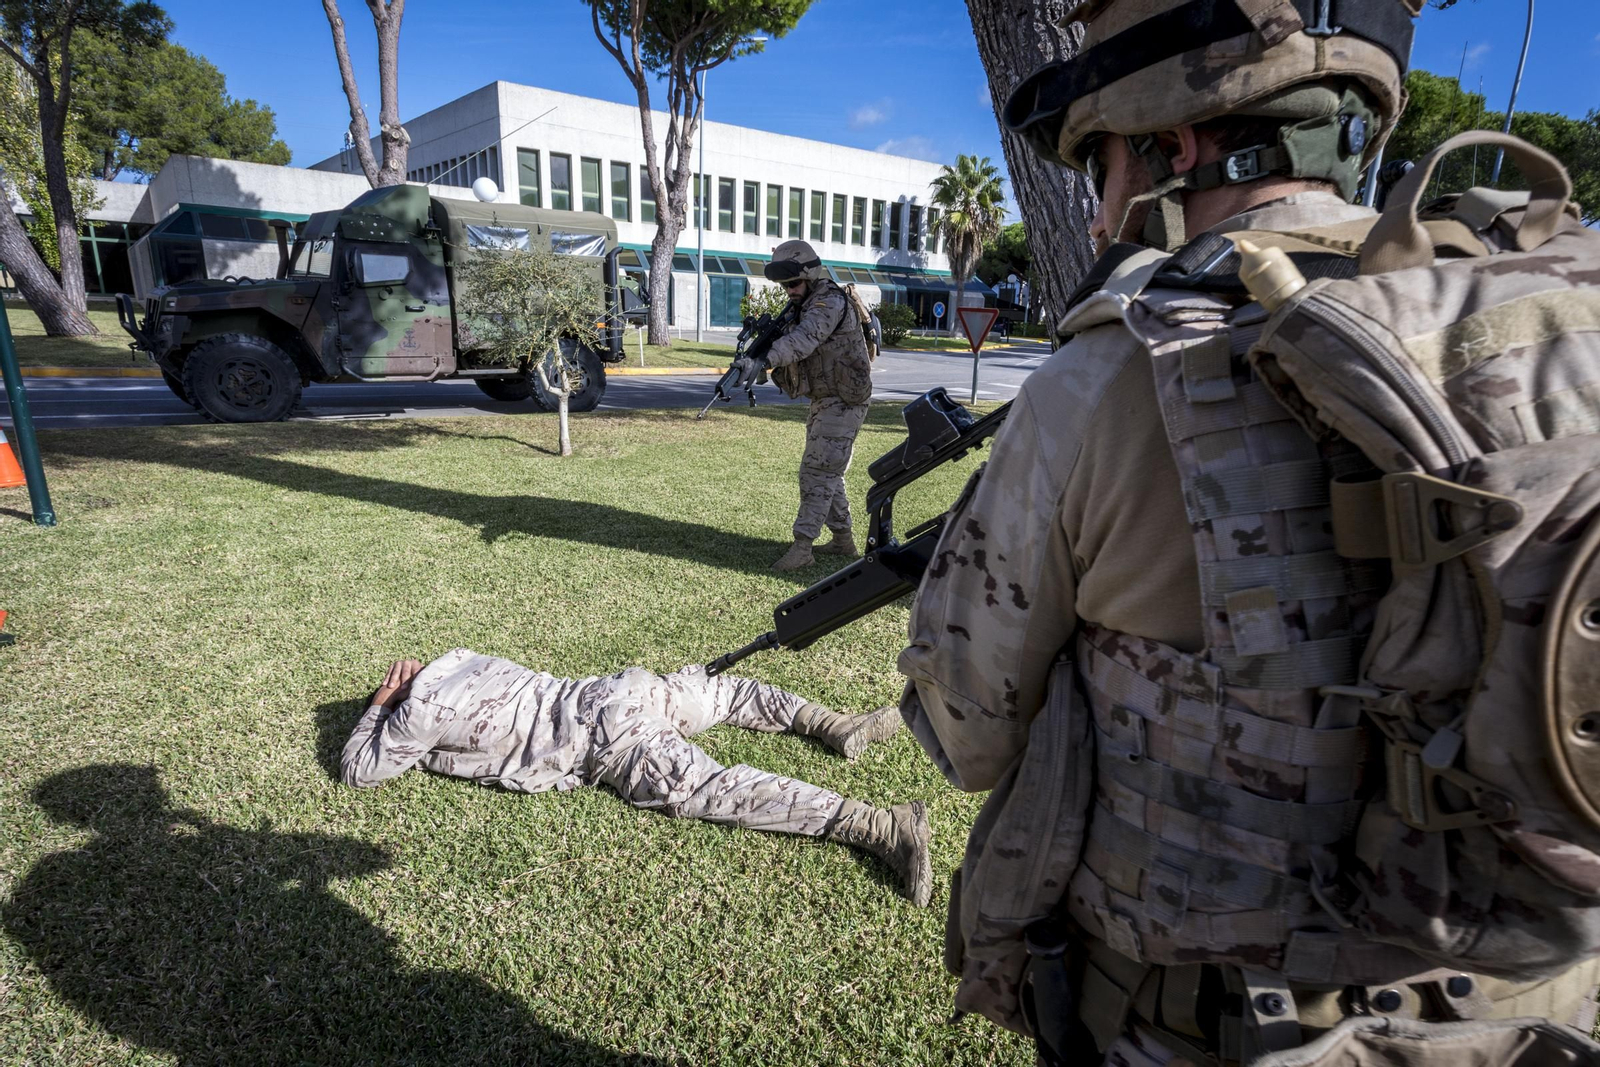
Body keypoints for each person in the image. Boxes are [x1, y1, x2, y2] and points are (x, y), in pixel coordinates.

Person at [896, 2, 1600, 1065]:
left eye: (1100, 171)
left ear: (1171, 150)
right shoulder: (1551, 318)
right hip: (1539, 1009)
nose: (1096, 220)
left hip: (1211, 1019)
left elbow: (967, 729)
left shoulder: (1115, 369)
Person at [341, 650, 931, 906]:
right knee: (725, 694)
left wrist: (381, 705)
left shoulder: (416, 715)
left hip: (606, 738)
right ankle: (832, 725)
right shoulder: (458, 659)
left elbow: (358, 771)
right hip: (621, 689)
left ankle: (878, 825)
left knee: (708, 788)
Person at [735, 239, 873, 572]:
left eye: (793, 283)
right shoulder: (804, 303)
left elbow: (804, 339)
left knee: (817, 470)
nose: (789, 291)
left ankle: (802, 547)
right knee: (827, 471)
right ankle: (843, 541)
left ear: (810, 276)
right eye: (784, 286)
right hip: (826, 398)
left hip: (845, 399)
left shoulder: (828, 302)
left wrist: (766, 360)